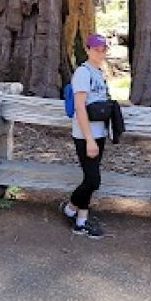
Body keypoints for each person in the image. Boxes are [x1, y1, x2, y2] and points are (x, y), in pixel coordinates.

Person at [60, 33, 110, 238]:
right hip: (85, 135)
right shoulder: (83, 72)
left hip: (99, 133)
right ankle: (69, 209)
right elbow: (80, 107)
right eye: (96, 49)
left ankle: (81, 221)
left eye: (103, 49)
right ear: (88, 49)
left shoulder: (99, 73)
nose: (100, 53)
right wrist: (89, 139)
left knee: (90, 177)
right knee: (93, 180)